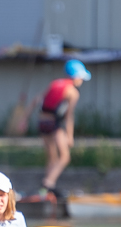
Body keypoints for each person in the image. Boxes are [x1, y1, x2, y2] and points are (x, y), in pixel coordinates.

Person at [38, 58, 90, 195]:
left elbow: (37, 100)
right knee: (65, 157)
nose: (82, 81)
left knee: (52, 157)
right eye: (81, 77)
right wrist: (69, 136)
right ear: (76, 77)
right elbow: (69, 116)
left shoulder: (55, 84)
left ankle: (45, 192)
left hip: (42, 122)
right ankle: (48, 183)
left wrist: (24, 120)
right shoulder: (73, 92)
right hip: (53, 124)